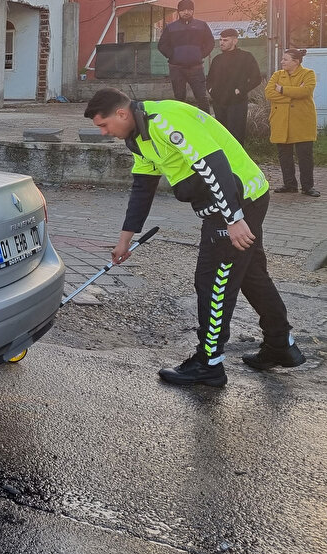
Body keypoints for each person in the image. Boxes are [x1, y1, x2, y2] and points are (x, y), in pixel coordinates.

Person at [84, 87, 304, 387]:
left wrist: (234, 218)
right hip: (232, 203)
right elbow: (142, 188)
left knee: (212, 280)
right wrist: (125, 239)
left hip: (238, 200)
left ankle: (208, 364)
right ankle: (281, 346)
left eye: (104, 125)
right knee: (251, 275)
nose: (104, 132)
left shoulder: (164, 121)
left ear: (121, 113)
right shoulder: (138, 138)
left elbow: (212, 164)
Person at [265, 47, 319, 197]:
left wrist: (282, 90)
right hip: (281, 120)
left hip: (302, 121)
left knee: (305, 155)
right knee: (284, 155)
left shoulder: (308, 74)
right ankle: (289, 184)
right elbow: (269, 93)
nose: (282, 62)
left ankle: (308, 187)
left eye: (285, 59)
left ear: (295, 62)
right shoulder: (277, 75)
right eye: (282, 59)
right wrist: (293, 94)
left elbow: (306, 91)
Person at [157, 0, 215, 113]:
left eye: (189, 9)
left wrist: (200, 55)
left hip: (196, 68)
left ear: (193, 11)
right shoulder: (171, 27)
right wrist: (172, 56)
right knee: (179, 98)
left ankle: (205, 122)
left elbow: (210, 42)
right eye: (183, 10)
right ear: (178, 12)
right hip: (176, 68)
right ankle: (182, 122)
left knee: (202, 97)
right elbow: (162, 45)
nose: (186, 12)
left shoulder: (202, 25)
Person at [205, 28, 262, 144]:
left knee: (236, 136)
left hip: (237, 102)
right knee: (221, 135)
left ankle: (237, 161)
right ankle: (224, 161)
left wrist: (241, 90)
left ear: (235, 41)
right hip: (219, 102)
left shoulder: (246, 57)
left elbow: (256, 78)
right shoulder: (217, 59)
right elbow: (209, 79)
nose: (221, 43)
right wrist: (212, 90)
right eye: (220, 40)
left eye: (225, 40)